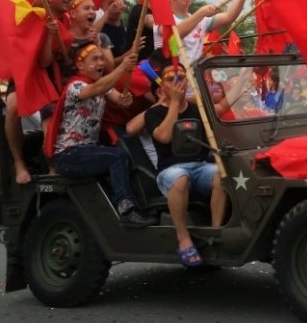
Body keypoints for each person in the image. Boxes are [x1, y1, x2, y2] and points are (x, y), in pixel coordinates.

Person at [46, 43, 154, 228]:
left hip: (87, 151)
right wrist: (122, 67)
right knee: (117, 157)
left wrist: (125, 99)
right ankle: (127, 211)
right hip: (68, 155)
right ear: (80, 65)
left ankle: (133, 203)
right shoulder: (75, 86)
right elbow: (98, 89)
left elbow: (119, 98)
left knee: (125, 154)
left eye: (101, 59)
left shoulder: (102, 85)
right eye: (94, 59)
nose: (100, 63)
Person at [144, 64, 226, 267]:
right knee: (180, 179)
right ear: (162, 87)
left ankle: (216, 233)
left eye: (180, 78)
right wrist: (173, 103)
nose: (176, 82)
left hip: (200, 166)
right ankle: (183, 238)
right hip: (170, 171)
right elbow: (163, 137)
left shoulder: (196, 109)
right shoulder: (153, 113)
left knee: (222, 175)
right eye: (170, 79)